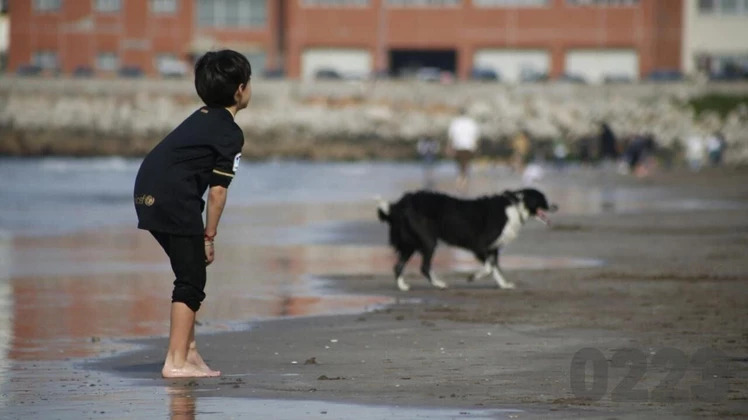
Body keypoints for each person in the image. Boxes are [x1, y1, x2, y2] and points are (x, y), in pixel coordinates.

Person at [133, 50, 252, 378]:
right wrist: (209, 237)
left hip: (146, 194)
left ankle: (190, 352)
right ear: (241, 89)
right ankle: (176, 361)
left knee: (191, 270)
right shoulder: (229, 132)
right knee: (191, 279)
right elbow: (217, 192)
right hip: (173, 199)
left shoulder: (200, 117)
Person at [447, 108, 479, 191]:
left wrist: (449, 146)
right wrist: (476, 146)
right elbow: (475, 135)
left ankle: (460, 178)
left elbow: (451, 135)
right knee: (466, 163)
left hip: (458, 146)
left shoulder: (455, 122)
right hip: (469, 146)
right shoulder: (471, 122)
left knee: (460, 163)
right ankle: (464, 178)